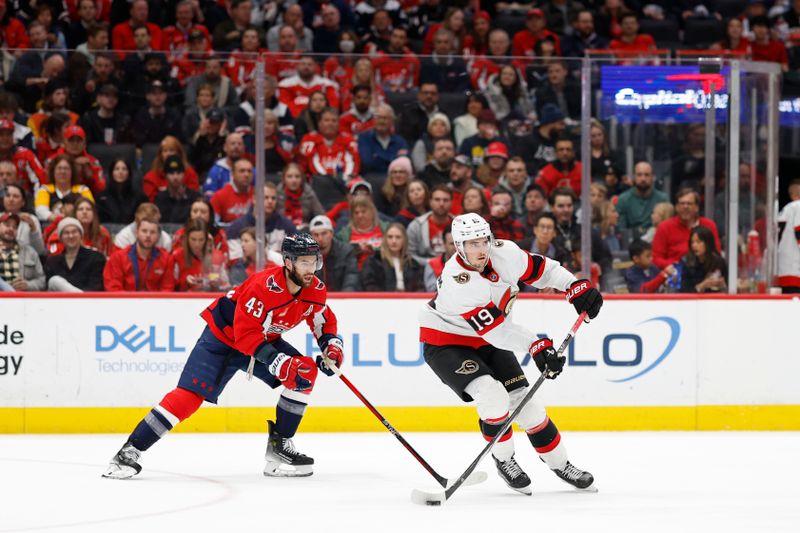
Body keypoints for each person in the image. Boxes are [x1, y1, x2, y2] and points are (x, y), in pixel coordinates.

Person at [103, 234, 344, 479]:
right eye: (304, 262)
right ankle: (130, 450)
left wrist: (331, 345)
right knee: (188, 397)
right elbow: (245, 334)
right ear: (288, 263)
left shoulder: (314, 289)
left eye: (313, 261)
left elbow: (321, 319)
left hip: (261, 342)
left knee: (304, 372)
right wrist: (276, 360)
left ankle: (279, 447)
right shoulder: (263, 287)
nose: (310, 269)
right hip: (223, 339)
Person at [418, 213, 602, 494]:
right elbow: (495, 331)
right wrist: (536, 345)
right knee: (492, 396)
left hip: (488, 339)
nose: (480, 250)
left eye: (483, 241)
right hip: (447, 343)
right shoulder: (458, 281)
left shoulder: (506, 253)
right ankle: (504, 460)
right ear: (458, 246)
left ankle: (560, 463)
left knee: (527, 406)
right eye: (471, 244)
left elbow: (543, 270)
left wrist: (573, 285)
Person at [103, 210, 175, 292]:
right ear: (136, 233)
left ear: (158, 236)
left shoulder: (167, 259)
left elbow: (167, 289)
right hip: (125, 303)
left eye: (152, 232)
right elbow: (113, 288)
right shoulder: (118, 257)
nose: (148, 235)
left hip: (156, 303)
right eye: (144, 231)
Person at [652, 188, 720, 270]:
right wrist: (673, 266)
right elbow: (656, 258)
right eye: (682, 203)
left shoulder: (709, 225)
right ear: (676, 207)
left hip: (704, 272)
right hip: (674, 275)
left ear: (697, 207)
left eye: (689, 203)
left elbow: (716, 254)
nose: (685, 207)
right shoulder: (664, 227)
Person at [228, 183, 296, 254]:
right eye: (265, 197)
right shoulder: (237, 228)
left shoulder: (287, 226)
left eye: (273, 198)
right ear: (254, 199)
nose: (270, 201)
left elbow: (295, 256)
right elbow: (235, 260)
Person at [44, 216, 106, 292]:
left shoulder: (96, 257)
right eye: (66, 233)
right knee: (54, 281)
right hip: (60, 303)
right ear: (60, 238)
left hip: (89, 302)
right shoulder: (52, 262)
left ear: (81, 235)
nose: (71, 236)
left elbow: (96, 287)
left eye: (74, 232)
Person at [361, 223, 424, 292]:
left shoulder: (413, 264)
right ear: (385, 239)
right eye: (390, 237)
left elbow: (420, 288)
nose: (394, 241)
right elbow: (370, 287)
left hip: (409, 301)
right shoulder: (374, 261)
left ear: (404, 240)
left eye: (398, 237)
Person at [172, 219, 230, 292]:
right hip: (185, 300)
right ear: (186, 238)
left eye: (201, 240)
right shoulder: (177, 256)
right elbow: (170, 287)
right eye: (193, 239)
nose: (197, 244)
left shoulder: (218, 256)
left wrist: (218, 285)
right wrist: (185, 282)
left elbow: (227, 287)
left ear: (206, 239)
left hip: (211, 298)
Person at [35, 155, 94, 224]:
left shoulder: (83, 190)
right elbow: (40, 211)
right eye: (59, 168)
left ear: (72, 172)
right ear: (53, 171)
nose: (63, 172)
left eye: (66, 168)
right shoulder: (45, 190)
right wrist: (59, 218)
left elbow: (91, 209)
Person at [616, 161, 669, 234]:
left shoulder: (663, 199)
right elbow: (621, 230)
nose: (643, 179)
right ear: (634, 177)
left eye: (647, 175)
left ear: (653, 177)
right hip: (631, 242)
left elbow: (667, 228)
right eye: (639, 175)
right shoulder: (623, 199)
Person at [309, 215, 360, 291]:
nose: (320, 238)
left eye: (324, 233)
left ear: (331, 233)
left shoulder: (346, 252)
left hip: (341, 298)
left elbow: (351, 277)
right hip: (315, 299)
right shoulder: (306, 255)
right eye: (316, 235)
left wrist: (345, 298)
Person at [335, 196, 388, 269]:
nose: (360, 215)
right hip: (355, 273)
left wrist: (373, 249)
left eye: (363, 211)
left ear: (372, 211)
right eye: (356, 213)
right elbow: (338, 255)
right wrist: (356, 249)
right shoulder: (343, 235)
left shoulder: (387, 229)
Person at [407, 185, 453, 266]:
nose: (441, 204)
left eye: (445, 200)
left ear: (451, 202)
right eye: (437, 200)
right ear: (430, 201)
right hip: (423, 270)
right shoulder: (416, 225)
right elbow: (410, 255)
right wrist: (433, 263)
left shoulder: (461, 225)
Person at [358, 104, 409, 176]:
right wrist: (394, 158)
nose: (382, 121)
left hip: (394, 179)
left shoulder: (400, 141)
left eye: (385, 118)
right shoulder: (364, 138)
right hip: (371, 178)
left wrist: (377, 156)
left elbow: (404, 164)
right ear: (373, 120)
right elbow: (367, 162)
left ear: (392, 121)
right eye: (378, 117)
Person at [0, 212, 46, 292]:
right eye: (7, 225)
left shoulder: (29, 252)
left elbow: (42, 281)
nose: (11, 229)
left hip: (23, 299)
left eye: (15, 227)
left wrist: (28, 285)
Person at [276, 162, 325, 231]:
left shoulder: (309, 194)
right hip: (281, 230)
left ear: (302, 179)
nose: (294, 180)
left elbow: (320, 215)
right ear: (284, 179)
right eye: (290, 176)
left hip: (304, 230)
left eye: (297, 176)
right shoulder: (277, 194)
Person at [96, 159, 147, 224]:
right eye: (117, 169)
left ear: (129, 173)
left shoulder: (140, 197)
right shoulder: (101, 197)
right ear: (111, 173)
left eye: (124, 169)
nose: (120, 172)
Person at [679, 226, 727, 293]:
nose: (694, 246)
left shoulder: (718, 262)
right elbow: (683, 292)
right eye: (692, 242)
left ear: (707, 243)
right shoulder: (686, 262)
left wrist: (723, 285)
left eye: (698, 242)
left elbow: (728, 286)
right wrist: (702, 286)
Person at [2, 184, 45, 255]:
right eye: (8, 195)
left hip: (24, 259)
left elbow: (39, 251)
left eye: (15, 196)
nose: (11, 199)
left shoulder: (31, 219)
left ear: (23, 202)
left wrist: (33, 227)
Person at [210, 158, 253, 224]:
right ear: (232, 174)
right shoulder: (220, 196)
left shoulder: (258, 194)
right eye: (242, 171)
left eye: (249, 171)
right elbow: (213, 223)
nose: (246, 175)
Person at [777, 180, 800, 293]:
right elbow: (799, 232)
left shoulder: (786, 209)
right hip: (795, 270)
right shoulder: (798, 206)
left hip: (784, 269)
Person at [424, 225, 455, 291]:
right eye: (452, 244)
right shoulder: (432, 264)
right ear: (444, 244)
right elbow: (431, 291)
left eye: (457, 243)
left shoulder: (470, 263)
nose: (455, 247)